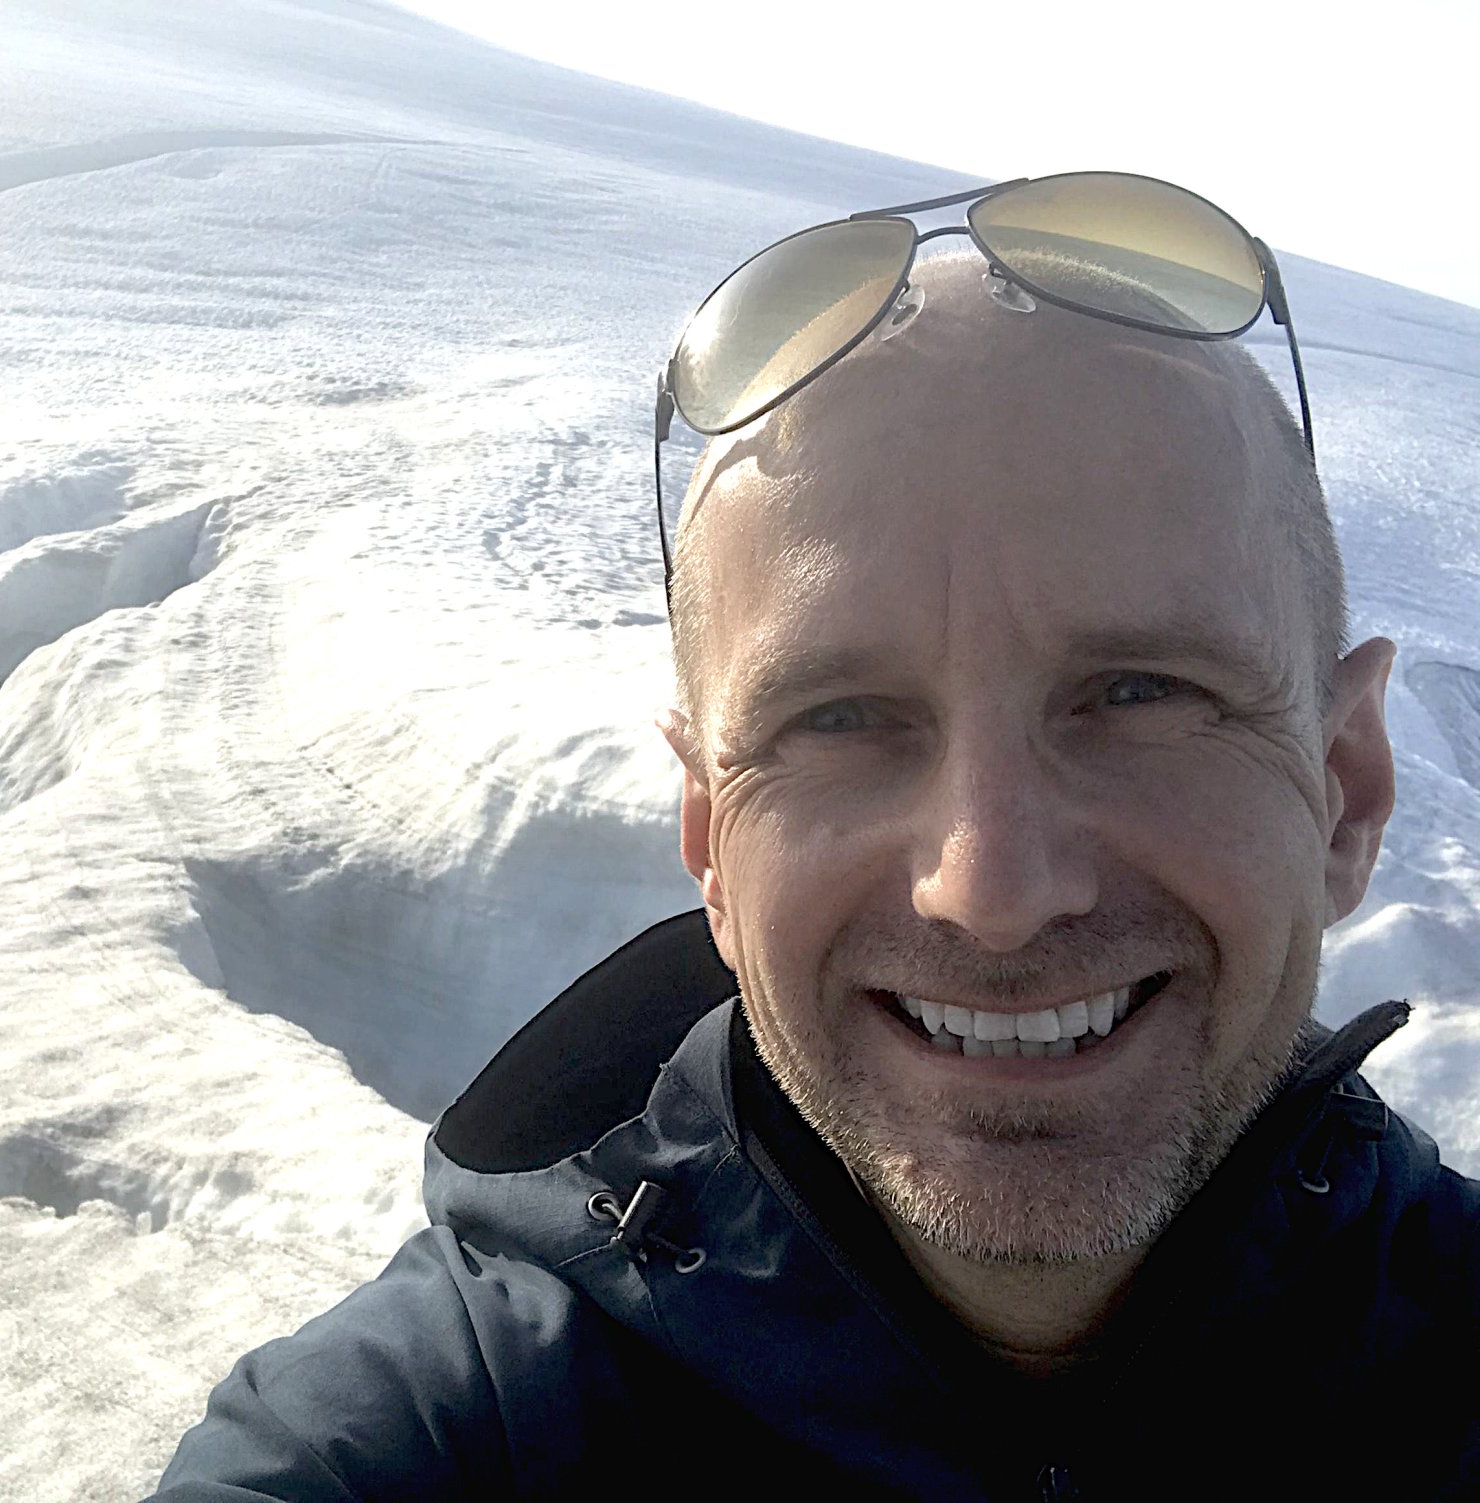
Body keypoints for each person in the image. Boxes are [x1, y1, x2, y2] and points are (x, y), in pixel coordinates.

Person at [155, 176, 1480, 1500]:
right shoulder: (446, 1430)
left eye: (1139, 693)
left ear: (1345, 789)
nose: (992, 887)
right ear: (712, 848)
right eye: (839, 720)